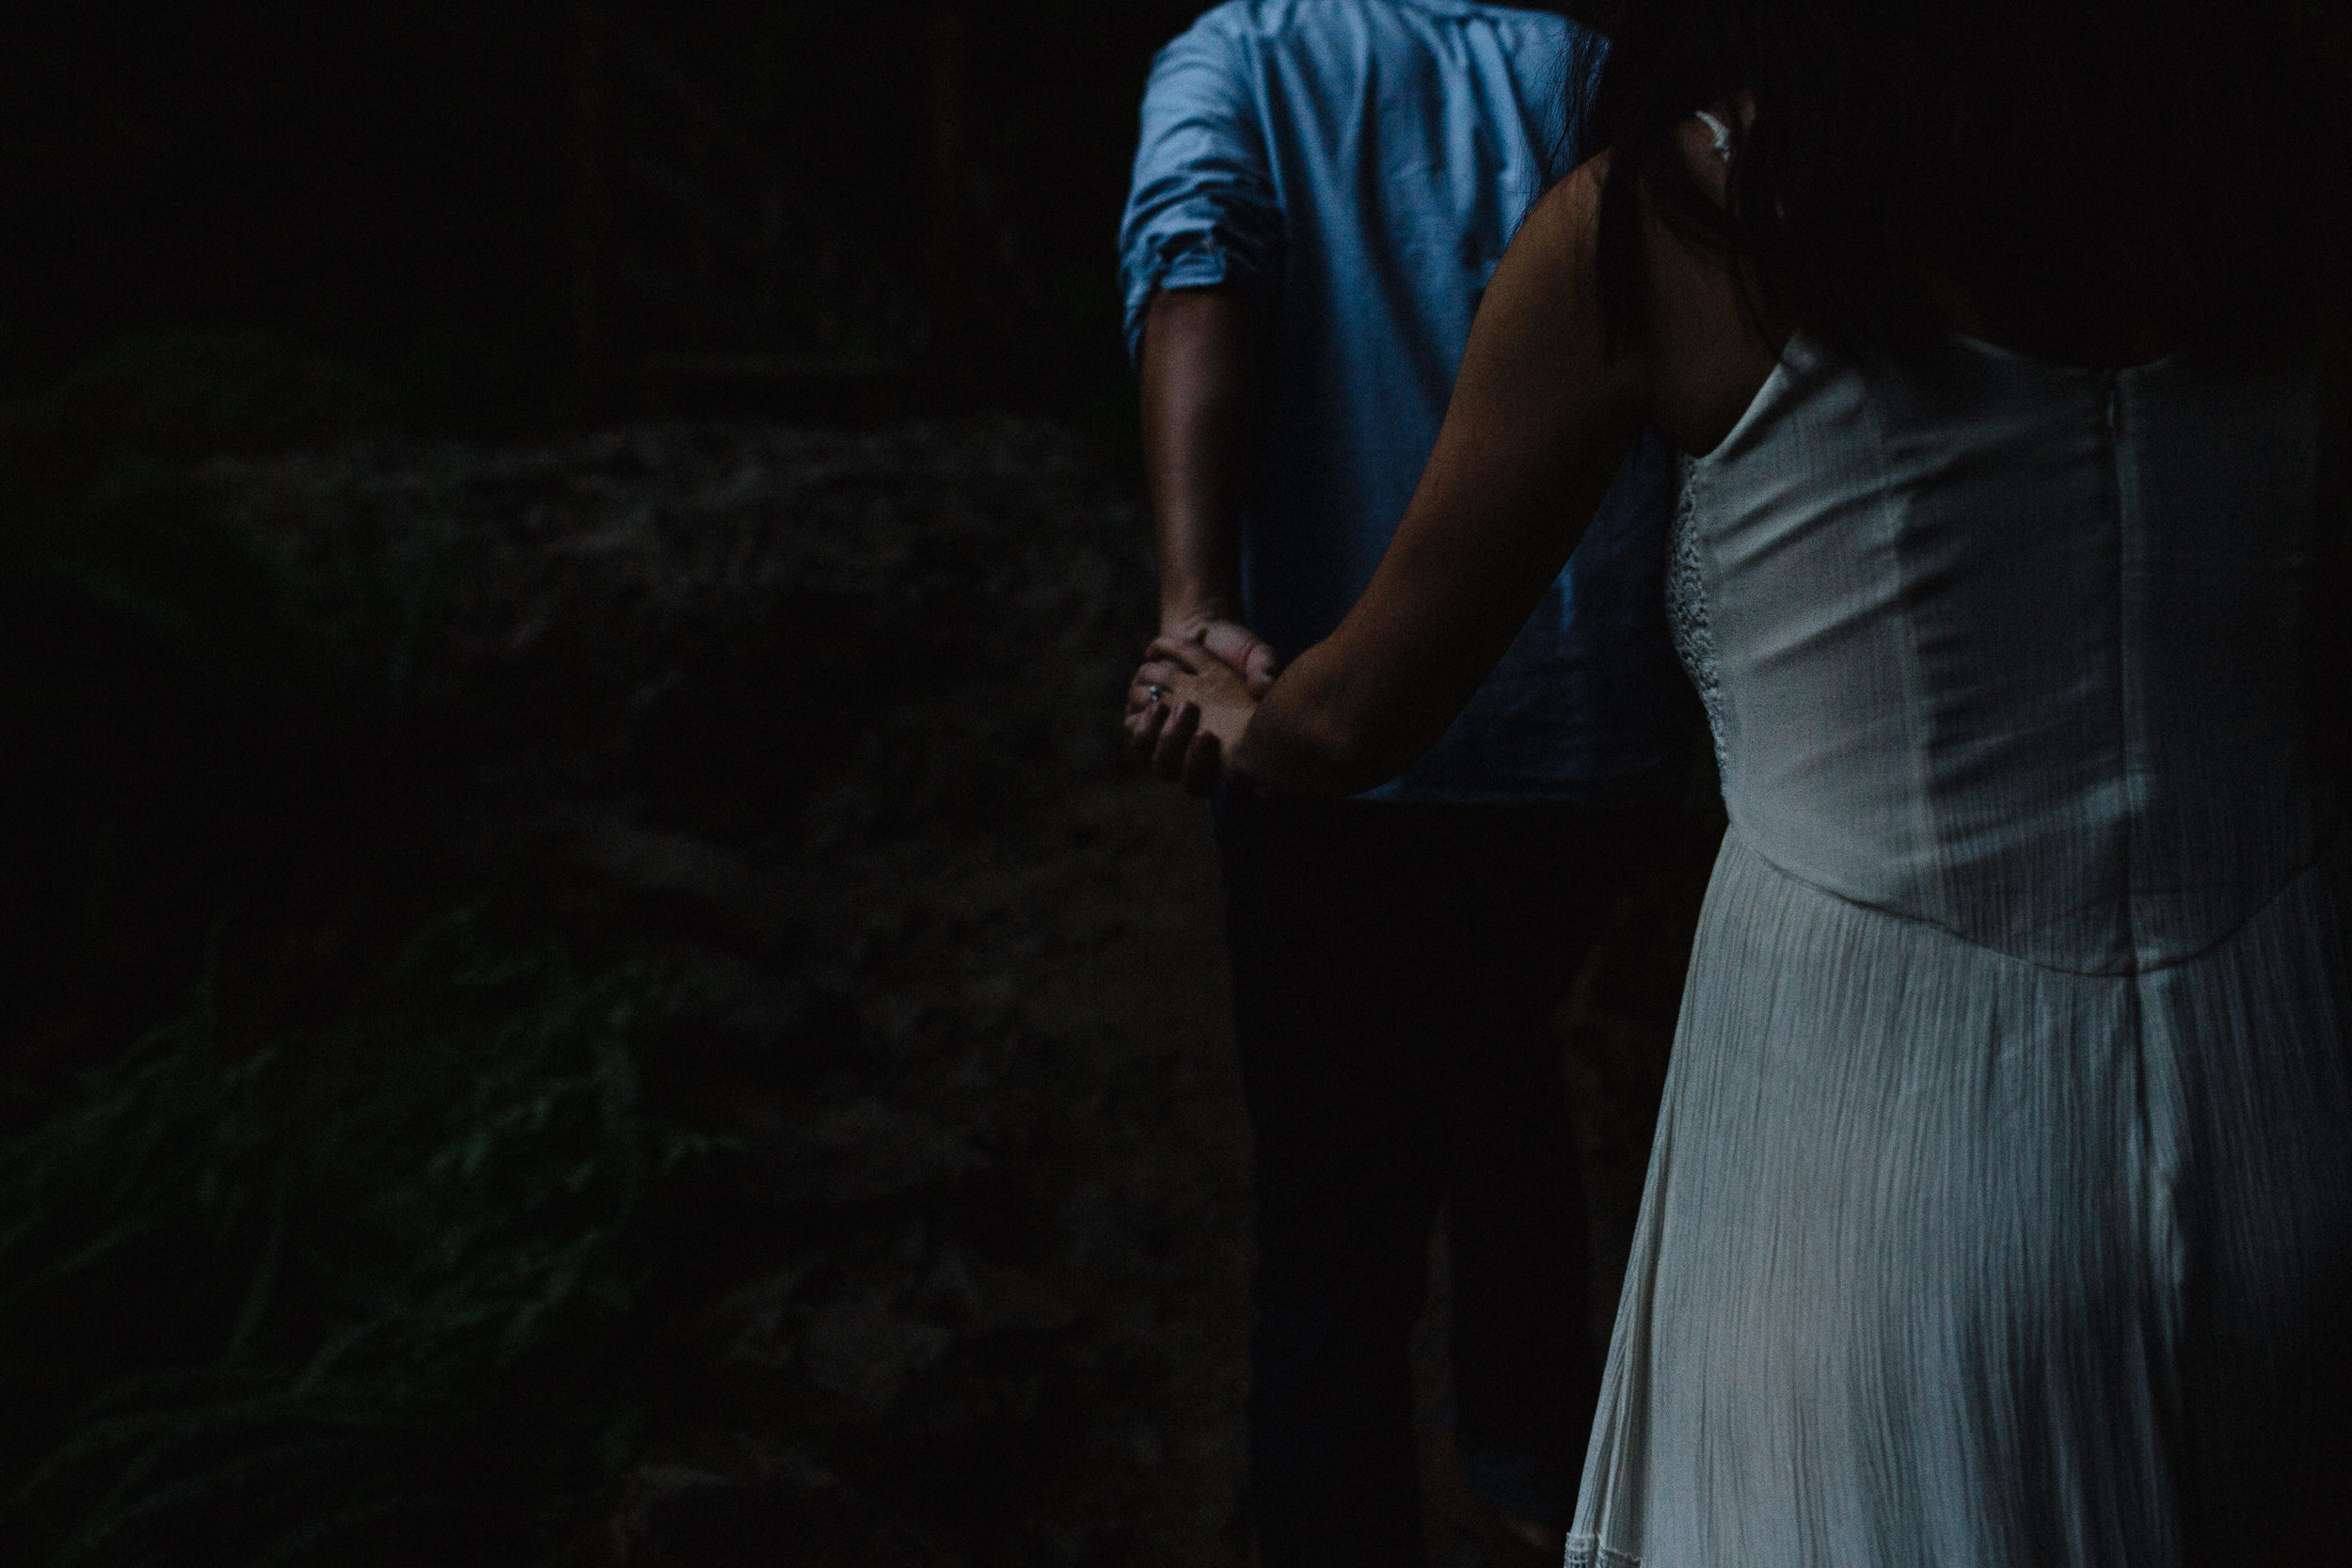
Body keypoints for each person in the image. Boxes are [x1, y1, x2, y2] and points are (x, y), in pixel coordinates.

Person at [1131, 0, 2352, 1562]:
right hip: (2281, 1085)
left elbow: (1352, 716)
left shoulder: (1683, 222)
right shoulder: (2253, 191)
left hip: (1887, 1147)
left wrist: (1222, 694)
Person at [1116, 4, 1692, 1563]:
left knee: (1331, 1220)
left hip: (1331, 732)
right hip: (1584, 728)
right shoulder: (1594, 69)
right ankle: (1529, 1467)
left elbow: (1195, 264)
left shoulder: (1240, 57)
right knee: (1494, 1044)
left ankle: (1342, 1523)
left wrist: (1188, 603)